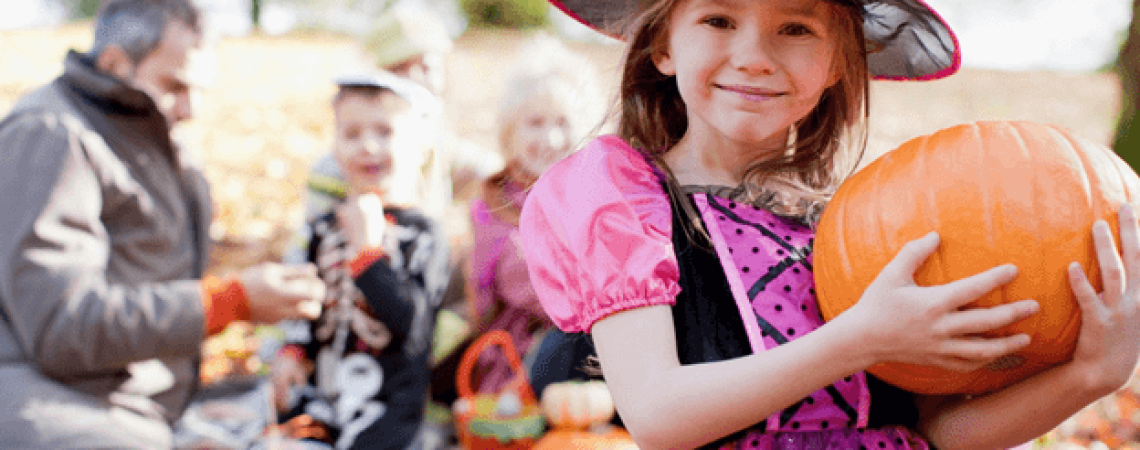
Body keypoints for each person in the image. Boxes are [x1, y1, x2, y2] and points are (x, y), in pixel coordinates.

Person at [519, 0, 1140, 448]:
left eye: (796, 27)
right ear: (663, 45)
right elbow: (657, 413)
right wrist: (859, 340)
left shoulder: (862, 223)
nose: (754, 57)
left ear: (838, 62)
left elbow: (936, 432)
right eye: (719, 19)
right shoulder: (621, 199)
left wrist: (1089, 376)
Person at [0, 0, 326, 448]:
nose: (190, 109)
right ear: (115, 62)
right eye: (174, 86)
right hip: (55, 402)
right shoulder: (51, 134)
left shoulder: (152, 140)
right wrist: (228, 302)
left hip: (138, 401)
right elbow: (61, 326)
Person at [271, 72, 451, 450]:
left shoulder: (425, 236)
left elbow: (415, 326)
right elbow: (307, 307)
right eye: (351, 134)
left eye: (384, 132)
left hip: (388, 416)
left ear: (418, 147)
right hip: (318, 405)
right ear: (334, 148)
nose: (367, 145)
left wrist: (369, 253)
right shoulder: (323, 229)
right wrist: (293, 352)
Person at [462, 34, 603, 395]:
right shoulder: (496, 205)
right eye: (535, 123)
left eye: (562, 123)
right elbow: (538, 286)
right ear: (511, 133)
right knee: (574, 333)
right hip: (522, 363)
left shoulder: (594, 196)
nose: (551, 138)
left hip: (596, 352)